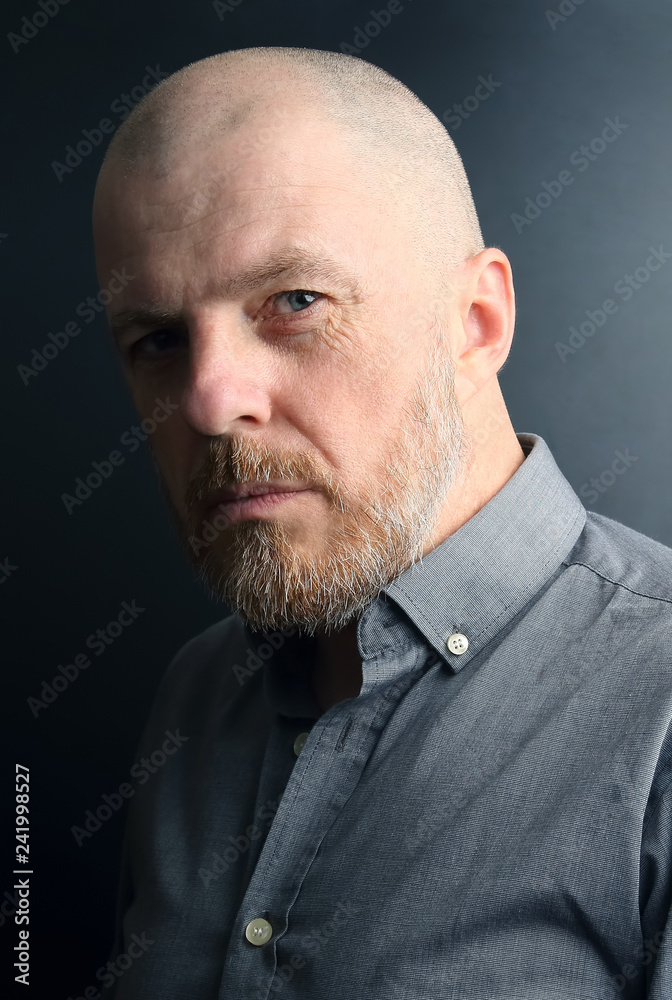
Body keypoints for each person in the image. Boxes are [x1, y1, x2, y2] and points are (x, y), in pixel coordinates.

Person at [91, 46, 672, 999]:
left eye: (295, 302)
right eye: (157, 339)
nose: (208, 401)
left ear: (476, 320)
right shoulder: (195, 694)